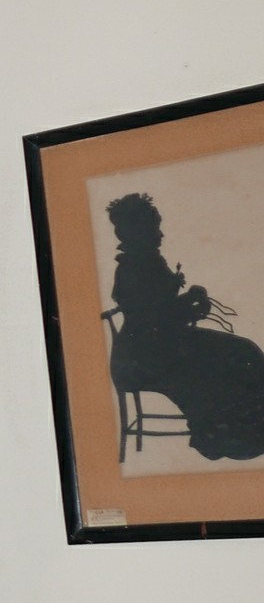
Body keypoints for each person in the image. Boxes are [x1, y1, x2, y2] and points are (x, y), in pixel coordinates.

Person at [105, 191, 264, 461]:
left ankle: (246, 431)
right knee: (225, 358)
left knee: (242, 351)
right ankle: (225, 436)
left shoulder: (147, 262)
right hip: (141, 359)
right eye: (154, 228)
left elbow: (160, 311)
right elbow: (153, 319)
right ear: (137, 232)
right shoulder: (133, 269)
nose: (160, 234)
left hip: (159, 346)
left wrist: (190, 299)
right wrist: (190, 305)